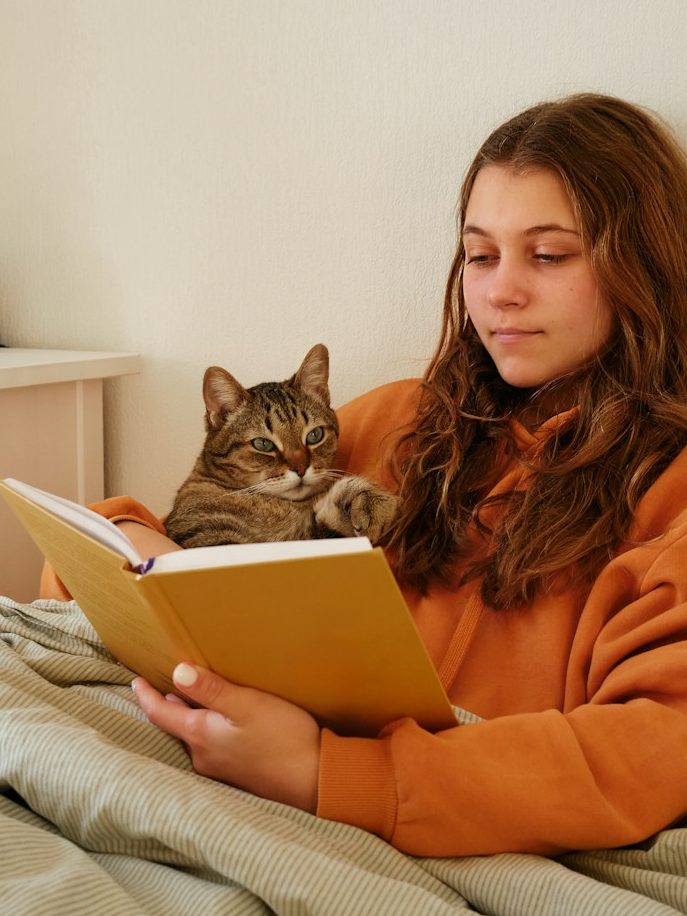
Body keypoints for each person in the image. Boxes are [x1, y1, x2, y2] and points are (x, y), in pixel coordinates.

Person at [48, 93, 687, 858]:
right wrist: (134, 540)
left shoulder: (668, 490)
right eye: (479, 255)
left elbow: (650, 755)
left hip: (373, 819)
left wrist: (327, 773)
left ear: (642, 263)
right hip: (223, 772)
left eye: (548, 255)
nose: (498, 291)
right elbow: (116, 566)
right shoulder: (397, 421)